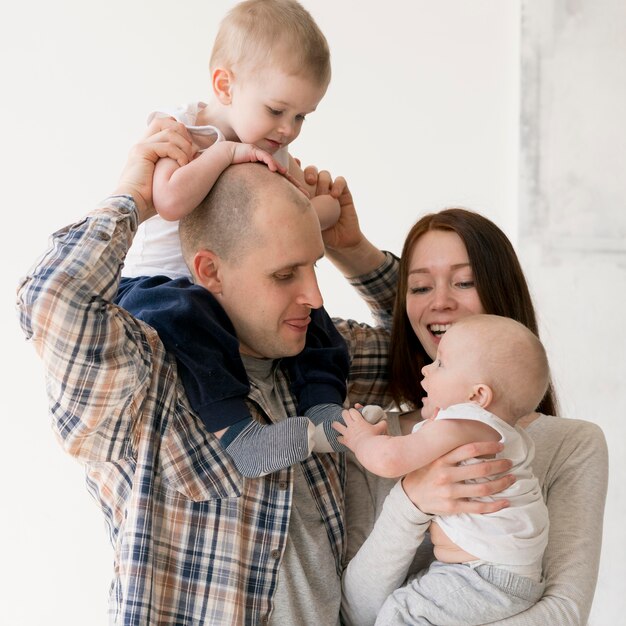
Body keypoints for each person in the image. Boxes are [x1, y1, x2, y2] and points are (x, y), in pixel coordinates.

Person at [116, 0, 354, 477]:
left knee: (314, 312)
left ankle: (324, 408)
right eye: (277, 110)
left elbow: (299, 217)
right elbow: (169, 201)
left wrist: (326, 208)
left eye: (303, 116)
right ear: (225, 85)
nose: (288, 130)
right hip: (160, 289)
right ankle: (238, 434)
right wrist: (225, 154)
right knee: (191, 318)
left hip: (233, 293)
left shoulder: (274, 147)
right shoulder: (185, 130)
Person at [338, 208, 609, 626]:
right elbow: (357, 614)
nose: (440, 301)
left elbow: (564, 614)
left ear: (501, 292)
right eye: (420, 286)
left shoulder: (573, 443)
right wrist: (412, 501)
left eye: (464, 282)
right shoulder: (381, 435)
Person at [336, 313, 551, 624]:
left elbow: (390, 460)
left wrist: (361, 438)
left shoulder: (468, 421)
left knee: (401, 613)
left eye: (441, 364)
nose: (426, 368)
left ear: (477, 396)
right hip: (488, 575)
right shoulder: (494, 431)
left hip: (486, 577)